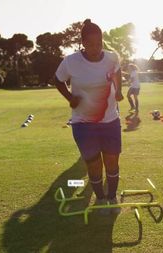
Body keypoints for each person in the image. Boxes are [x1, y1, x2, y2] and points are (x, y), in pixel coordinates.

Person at [54, 19, 123, 215]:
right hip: (83, 123)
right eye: (91, 44)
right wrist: (70, 97)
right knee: (93, 164)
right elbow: (58, 80)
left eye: (99, 43)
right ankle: (101, 199)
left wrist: (119, 90)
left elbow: (117, 72)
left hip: (110, 120)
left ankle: (112, 197)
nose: (95, 48)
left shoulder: (111, 58)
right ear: (83, 43)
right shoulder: (71, 61)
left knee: (112, 162)